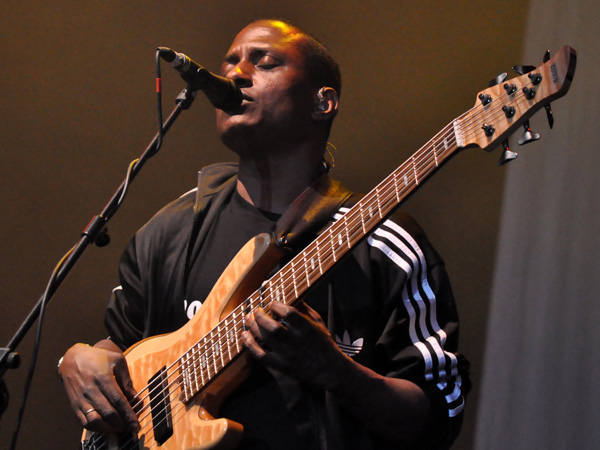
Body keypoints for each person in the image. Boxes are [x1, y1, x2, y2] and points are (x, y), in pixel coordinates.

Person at [58, 19, 469, 449]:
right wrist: (80, 358)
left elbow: (440, 416)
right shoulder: (172, 229)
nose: (235, 74)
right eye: (231, 61)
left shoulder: (383, 243)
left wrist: (338, 373)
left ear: (322, 102)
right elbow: (119, 344)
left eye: (264, 62)